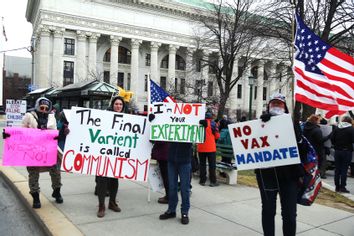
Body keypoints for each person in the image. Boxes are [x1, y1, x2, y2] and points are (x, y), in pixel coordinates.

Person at [256, 93, 305, 236]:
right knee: (268, 210)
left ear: (285, 107)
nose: (276, 106)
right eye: (274, 103)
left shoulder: (293, 124)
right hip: (267, 175)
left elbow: (301, 150)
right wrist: (261, 125)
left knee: (289, 214)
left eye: (279, 104)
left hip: (289, 176)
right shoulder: (260, 123)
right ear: (268, 106)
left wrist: (295, 131)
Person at [21, 97, 63, 208]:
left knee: (56, 171)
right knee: (33, 173)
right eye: (42, 107)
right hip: (33, 151)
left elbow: (55, 132)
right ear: (37, 106)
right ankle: (36, 197)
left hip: (49, 149)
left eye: (46, 108)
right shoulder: (29, 116)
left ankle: (57, 191)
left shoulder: (51, 117)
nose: (44, 109)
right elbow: (21, 131)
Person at [96, 96, 125, 217]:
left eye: (120, 104)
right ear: (112, 105)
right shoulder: (105, 117)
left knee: (114, 180)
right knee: (102, 180)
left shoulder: (127, 119)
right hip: (104, 154)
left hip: (117, 154)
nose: (118, 106)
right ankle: (101, 205)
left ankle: (112, 202)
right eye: (116, 104)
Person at [159, 142, 193, 225]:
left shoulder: (192, 128)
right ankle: (171, 210)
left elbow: (200, 134)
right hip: (171, 159)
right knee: (172, 187)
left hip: (184, 160)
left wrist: (203, 127)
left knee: (185, 188)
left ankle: (184, 212)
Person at [330, 116, 354, 193]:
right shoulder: (351, 129)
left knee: (337, 169)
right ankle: (342, 187)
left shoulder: (337, 128)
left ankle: (337, 186)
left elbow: (332, 138)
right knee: (344, 169)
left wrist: (336, 144)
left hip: (337, 151)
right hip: (347, 151)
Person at [303, 114, 329, 179]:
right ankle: (319, 175)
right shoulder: (316, 130)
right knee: (319, 163)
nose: (319, 122)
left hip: (308, 148)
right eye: (319, 120)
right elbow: (320, 140)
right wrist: (329, 136)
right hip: (318, 149)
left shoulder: (305, 127)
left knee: (311, 163)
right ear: (315, 121)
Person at [198, 111, 220, 187]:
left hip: (201, 147)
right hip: (210, 148)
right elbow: (217, 136)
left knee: (202, 165)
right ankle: (213, 181)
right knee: (212, 165)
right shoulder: (213, 123)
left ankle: (202, 180)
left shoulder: (199, 122)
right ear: (211, 117)